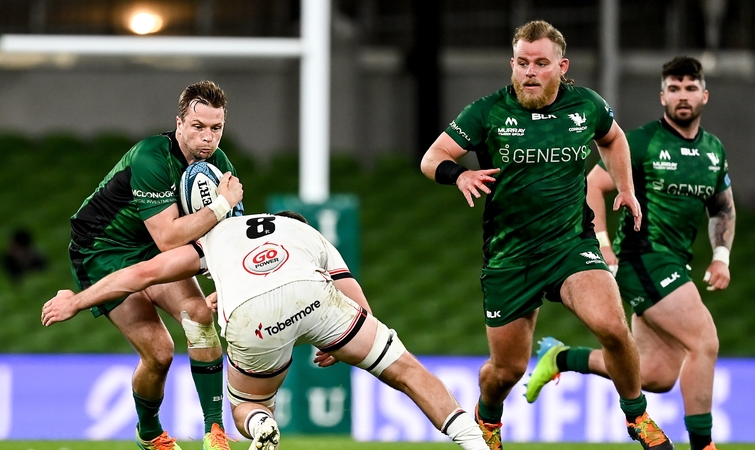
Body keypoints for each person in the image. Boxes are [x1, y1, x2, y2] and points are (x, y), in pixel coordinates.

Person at [420, 20, 674, 450]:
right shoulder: (488, 112)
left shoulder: (586, 106)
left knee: (613, 327)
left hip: (571, 245)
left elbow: (613, 140)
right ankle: (488, 417)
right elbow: (432, 157)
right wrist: (459, 175)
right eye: (522, 63)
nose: (530, 72)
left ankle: (637, 416)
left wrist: (626, 189)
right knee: (506, 371)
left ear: (561, 66)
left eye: (540, 63)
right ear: (512, 64)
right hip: (511, 257)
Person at [43, 210, 493, 450]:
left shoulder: (217, 235)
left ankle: (261, 428)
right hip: (313, 295)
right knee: (407, 370)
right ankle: (474, 442)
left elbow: (142, 274)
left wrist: (78, 300)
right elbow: (351, 291)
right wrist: (349, 339)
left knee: (250, 404)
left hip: (250, 313)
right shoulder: (309, 235)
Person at [529, 57, 734, 450]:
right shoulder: (642, 142)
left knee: (655, 375)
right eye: (674, 88)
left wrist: (721, 254)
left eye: (690, 88)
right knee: (704, 340)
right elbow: (593, 182)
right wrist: (603, 244)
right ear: (662, 97)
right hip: (644, 259)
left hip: (677, 262)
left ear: (704, 95)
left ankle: (560, 358)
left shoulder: (713, 150)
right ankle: (703, 447)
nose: (682, 95)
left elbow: (723, 207)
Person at [67, 80, 244, 450]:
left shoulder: (218, 163)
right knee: (160, 353)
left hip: (149, 246)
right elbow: (168, 238)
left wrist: (223, 288)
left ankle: (215, 433)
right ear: (179, 123)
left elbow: (227, 238)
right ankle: (149, 433)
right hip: (102, 248)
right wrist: (221, 206)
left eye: (216, 128)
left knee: (198, 315)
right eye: (198, 127)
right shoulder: (151, 157)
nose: (207, 138)